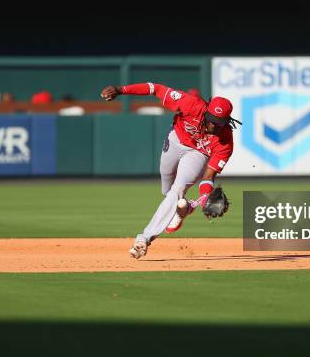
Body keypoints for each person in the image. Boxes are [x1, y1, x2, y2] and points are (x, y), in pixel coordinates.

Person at [100, 82, 240, 259]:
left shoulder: (225, 141)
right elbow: (155, 88)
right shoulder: (191, 104)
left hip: (197, 154)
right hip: (176, 140)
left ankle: (144, 239)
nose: (213, 125)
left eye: (218, 123)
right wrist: (121, 90)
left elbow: (209, 175)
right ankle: (183, 210)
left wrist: (205, 198)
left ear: (227, 121)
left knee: (177, 190)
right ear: (206, 111)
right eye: (211, 120)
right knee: (166, 189)